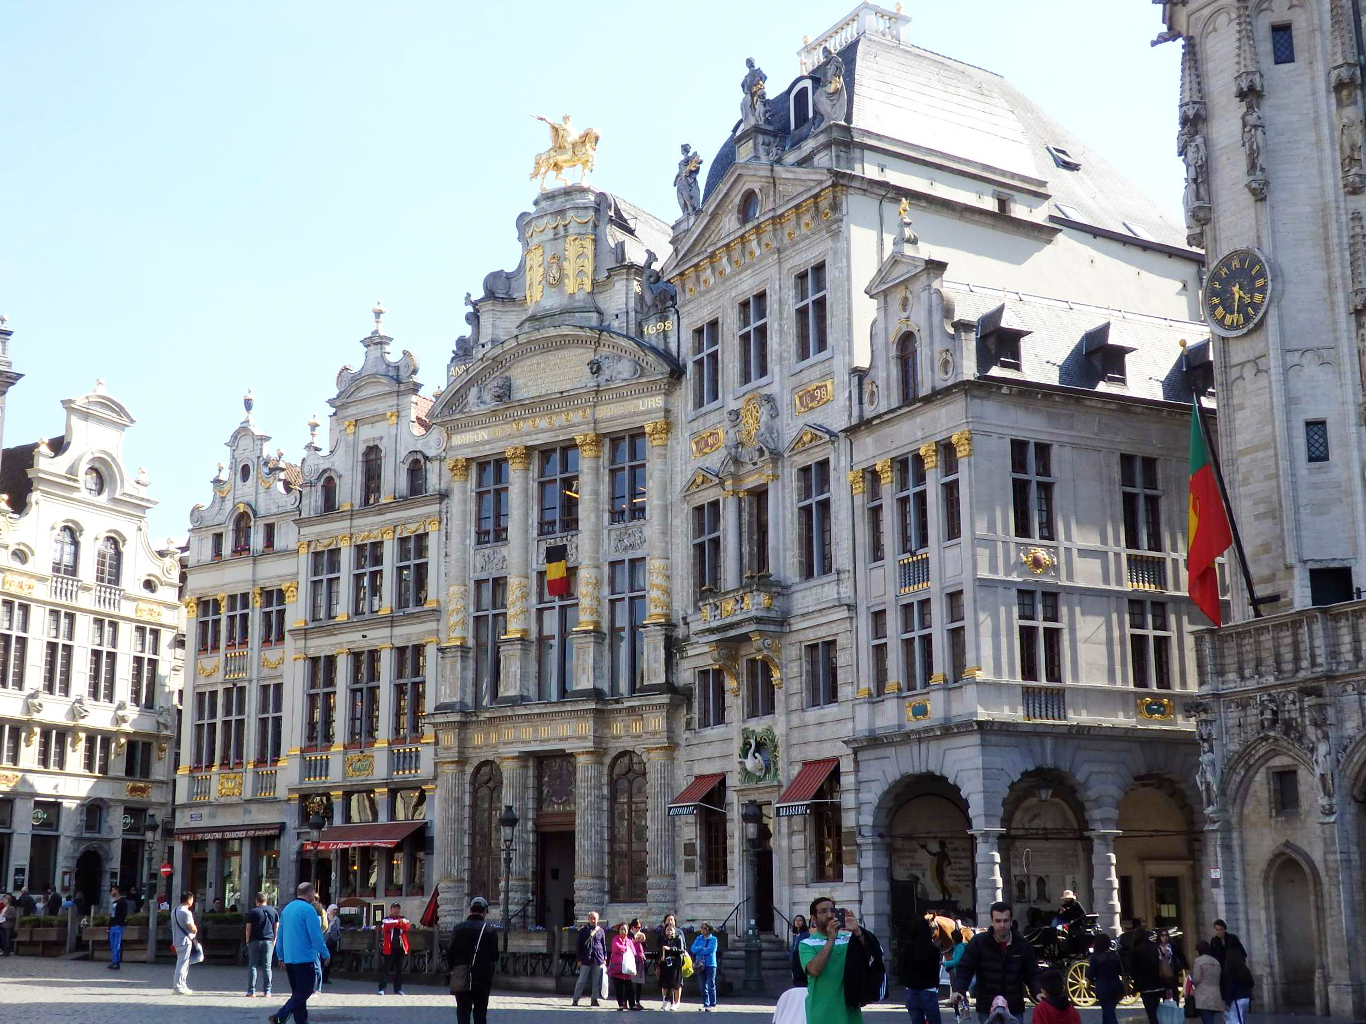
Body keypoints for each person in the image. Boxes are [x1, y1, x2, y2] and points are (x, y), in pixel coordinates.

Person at [952, 902, 1042, 1022]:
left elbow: (1032, 972)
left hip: (1013, 1006)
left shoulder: (1022, 944)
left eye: (1006, 920)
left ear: (1011, 921)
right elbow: (965, 969)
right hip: (987, 1006)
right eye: (998, 921)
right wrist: (959, 990)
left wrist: (1037, 991)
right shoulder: (978, 942)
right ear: (991, 920)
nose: (1002, 925)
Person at [268, 882, 331, 1024]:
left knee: (297, 993)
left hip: (290, 958)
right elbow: (316, 936)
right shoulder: (308, 910)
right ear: (309, 893)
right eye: (313, 894)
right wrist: (325, 953)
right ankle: (280, 1016)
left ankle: (301, 1021)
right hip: (305, 958)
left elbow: (281, 934)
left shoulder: (286, 910)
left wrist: (281, 955)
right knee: (306, 991)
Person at [798, 897, 862, 1024]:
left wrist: (858, 931)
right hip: (822, 1012)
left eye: (832, 910)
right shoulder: (806, 944)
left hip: (850, 1010)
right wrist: (831, 939)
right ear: (814, 918)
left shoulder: (848, 938)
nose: (829, 914)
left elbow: (872, 957)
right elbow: (814, 970)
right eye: (823, 911)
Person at [448, 895, 499, 1024]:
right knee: (480, 1013)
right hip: (482, 977)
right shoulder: (489, 930)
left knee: (462, 1012)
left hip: (462, 976)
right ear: (485, 911)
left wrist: (453, 969)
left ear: (470, 910)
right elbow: (495, 956)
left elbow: (450, 953)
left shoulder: (458, 928)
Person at [898, 913, 943, 1024]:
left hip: (911, 991)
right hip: (928, 990)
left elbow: (902, 968)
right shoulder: (933, 949)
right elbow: (935, 971)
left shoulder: (906, 948)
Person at [245, 891, 279, 998]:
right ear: (266, 900)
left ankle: (251, 991)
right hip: (269, 941)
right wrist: (275, 939)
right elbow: (276, 927)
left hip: (255, 941)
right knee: (267, 966)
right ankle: (267, 991)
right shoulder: (274, 911)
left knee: (253, 966)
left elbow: (248, 928)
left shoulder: (253, 912)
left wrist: (247, 941)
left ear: (256, 901)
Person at [572, 910, 608, 1007]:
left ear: (597, 919)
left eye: (595, 918)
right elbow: (578, 946)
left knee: (596, 981)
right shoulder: (583, 931)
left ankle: (594, 1000)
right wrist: (578, 959)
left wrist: (605, 957)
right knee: (581, 980)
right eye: (591, 918)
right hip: (585, 959)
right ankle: (575, 999)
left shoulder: (601, 931)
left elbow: (603, 945)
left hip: (598, 958)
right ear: (588, 919)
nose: (593, 920)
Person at [170, 891, 201, 995]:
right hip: (185, 941)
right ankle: (178, 987)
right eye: (192, 899)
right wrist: (195, 928)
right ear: (189, 900)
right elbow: (193, 929)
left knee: (184, 964)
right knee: (182, 965)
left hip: (177, 941)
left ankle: (182, 985)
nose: (192, 901)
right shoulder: (186, 912)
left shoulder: (174, 910)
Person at [1089, 934, 1124, 1024]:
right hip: (1116, 986)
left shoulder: (1095, 957)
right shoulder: (1115, 955)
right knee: (1108, 1011)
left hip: (1103, 987)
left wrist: (1090, 982)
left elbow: (1090, 974)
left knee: (1109, 1013)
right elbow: (1120, 970)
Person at [378, 902, 411, 995]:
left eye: (398, 908)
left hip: (400, 948)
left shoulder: (403, 918)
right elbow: (386, 926)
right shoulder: (386, 919)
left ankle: (398, 989)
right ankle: (382, 988)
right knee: (386, 969)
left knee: (399, 970)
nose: (396, 910)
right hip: (389, 948)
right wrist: (398, 923)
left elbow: (406, 926)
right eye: (394, 908)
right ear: (391, 909)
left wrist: (396, 923)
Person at [1191, 940, 1226, 1024]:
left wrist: (1190, 980)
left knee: (1207, 1019)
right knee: (1210, 1019)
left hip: (1204, 995)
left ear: (1198, 950)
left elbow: (1197, 978)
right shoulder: (1216, 961)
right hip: (1216, 995)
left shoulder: (1198, 961)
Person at [690, 921, 719, 1012]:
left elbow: (710, 950)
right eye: (702, 928)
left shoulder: (713, 939)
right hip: (700, 965)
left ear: (709, 930)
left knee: (711, 984)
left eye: (705, 928)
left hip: (710, 964)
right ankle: (705, 1004)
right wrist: (701, 948)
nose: (703, 930)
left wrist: (700, 950)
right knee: (702, 986)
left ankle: (712, 1004)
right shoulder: (698, 938)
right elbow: (693, 949)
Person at [1221, 944, 1254, 1024]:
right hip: (1246, 998)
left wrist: (1227, 1002)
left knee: (1235, 1019)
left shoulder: (1230, 971)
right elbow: (1252, 983)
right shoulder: (1245, 969)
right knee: (1240, 1017)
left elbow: (1231, 987)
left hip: (1236, 999)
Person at [608, 921, 637, 1010]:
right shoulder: (615, 939)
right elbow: (616, 948)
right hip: (617, 968)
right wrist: (626, 949)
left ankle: (632, 1004)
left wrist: (626, 950)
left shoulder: (629, 941)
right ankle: (621, 1004)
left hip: (627, 969)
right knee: (618, 988)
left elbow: (634, 952)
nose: (623, 931)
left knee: (629, 988)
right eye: (621, 929)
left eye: (625, 929)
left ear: (627, 931)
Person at [657, 921, 684, 1011]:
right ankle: (666, 1002)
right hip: (666, 965)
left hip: (676, 965)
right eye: (667, 930)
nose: (669, 931)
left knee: (674, 984)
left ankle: (674, 1003)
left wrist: (670, 949)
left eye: (671, 929)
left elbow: (681, 950)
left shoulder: (678, 938)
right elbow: (662, 952)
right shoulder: (664, 940)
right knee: (667, 984)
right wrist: (661, 959)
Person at [1156, 930, 1187, 1000]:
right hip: (1161, 972)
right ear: (1159, 937)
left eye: (1166, 935)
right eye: (1163, 936)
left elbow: (1179, 955)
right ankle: (1166, 1004)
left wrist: (1184, 965)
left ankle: (1176, 1004)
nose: (1165, 937)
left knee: (1174, 989)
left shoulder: (1173, 946)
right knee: (1164, 991)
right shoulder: (1157, 947)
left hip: (1172, 970)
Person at [628, 919, 649, 1010]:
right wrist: (634, 942)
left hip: (640, 961)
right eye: (637, 927)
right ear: (632, 927)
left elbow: (645, 948)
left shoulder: (641, 935)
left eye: (640, 927)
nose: (638, 929)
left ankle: (638, 1001)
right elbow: (627, 946)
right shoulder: (629, 935)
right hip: (631, 961)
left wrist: (643, 941)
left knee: (639, 983)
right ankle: (627, 1001)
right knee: (629, 983)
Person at [108, 886, 128, 970]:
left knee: (117, 944)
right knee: (113, 944)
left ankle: (117, 961)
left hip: (119, 925)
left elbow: (123, 914)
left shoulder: (122, 902)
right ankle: (114, 960)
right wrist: (109, 925)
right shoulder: (114, 902)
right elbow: (112, 915)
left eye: (113, 890)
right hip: (113, 925)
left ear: (117, 891)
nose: (112, 892)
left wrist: (121, 923)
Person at [789, 914, 811, 988]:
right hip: (794, 960)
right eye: (796, 920)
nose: (798, 922)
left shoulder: (806, 934)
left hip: (801, 960)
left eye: (800, 920)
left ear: (803, 922)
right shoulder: (795, 935)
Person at [322, 903, 341, 983]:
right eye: (334, 909)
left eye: (336, 910)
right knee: (323, 959)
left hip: (332, 941)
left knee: (330, 959)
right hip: (324, 941)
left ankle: (326, 977)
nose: (335, 911)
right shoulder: (325, 917)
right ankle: (320, 977)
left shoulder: (337, 920)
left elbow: (337, 929)